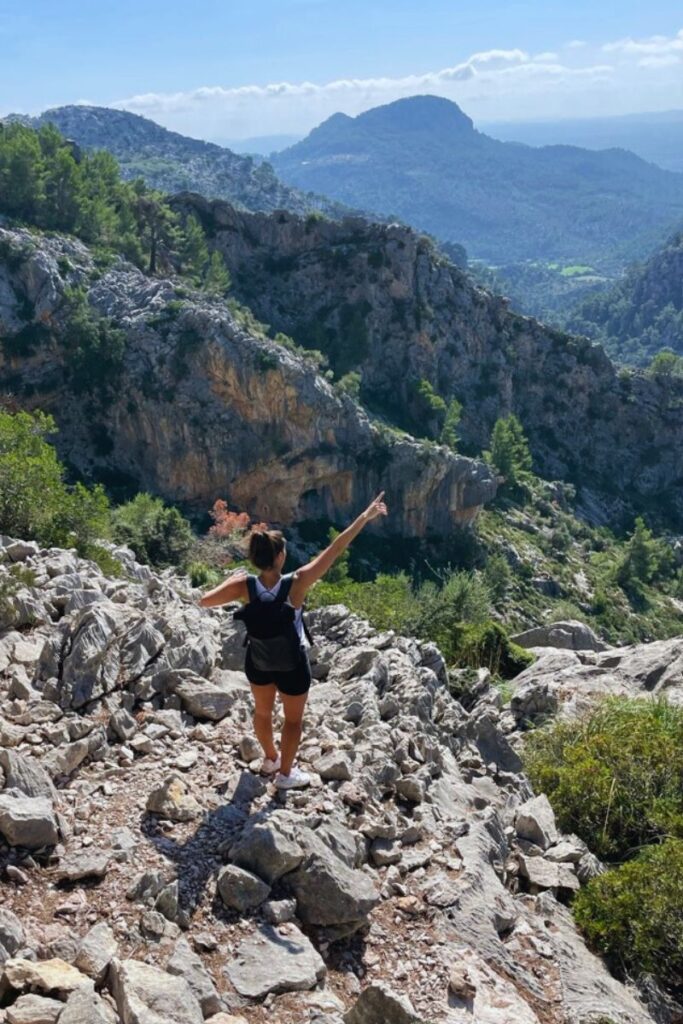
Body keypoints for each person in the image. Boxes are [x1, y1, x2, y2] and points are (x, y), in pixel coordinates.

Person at [198, 492, 388, 789]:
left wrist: (232, 580)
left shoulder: (243, 586)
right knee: (293, 721)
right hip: (292, 664)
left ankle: (270, 758)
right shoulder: (297, 583)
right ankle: (285, 775)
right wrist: (364, 517)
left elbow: (205, 600)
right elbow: (335, 549)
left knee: (262, 712)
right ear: (280, 557)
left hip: (258, 660)